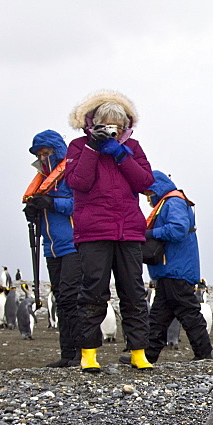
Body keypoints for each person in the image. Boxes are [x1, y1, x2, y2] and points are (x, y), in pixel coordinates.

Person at [65, 90, 155, 371]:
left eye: (118, 126)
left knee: (134, 292)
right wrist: (93, 148)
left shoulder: (133, 148)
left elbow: (145, 181)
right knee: (93, 292)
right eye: (106, 125)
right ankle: (88, 353)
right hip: (94, 232)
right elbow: (77, 182)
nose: (112, 131)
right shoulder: (79, 147)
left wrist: (121, 155)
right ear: (93, 123)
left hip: (128, 231)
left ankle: (139, 351)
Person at [23, 130, 84, 368]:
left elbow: (78, 205)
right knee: (61, 299)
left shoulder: (71, 174)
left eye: (45, 152)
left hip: (72, 244)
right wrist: (34, 210)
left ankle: (80, 353)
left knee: (72, 298)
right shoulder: (44, 180)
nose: (42, 157)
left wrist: (51, 202)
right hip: (52, 248)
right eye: (39, 154)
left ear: (57, 151)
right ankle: (67, 353)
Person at [137, 170, 212, 364]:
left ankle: (204, 354)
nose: (148, 199)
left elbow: (178, 229)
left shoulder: (173, 202)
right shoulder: (169, 202)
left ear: (156, 188)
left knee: (188, 313)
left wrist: (150, 233)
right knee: (159, 316)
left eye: (149, 194)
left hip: (176, 269)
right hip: (169, 270)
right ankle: (148, 355)